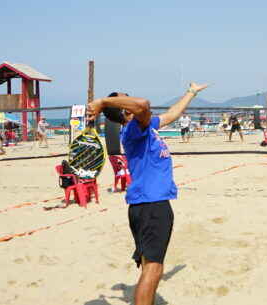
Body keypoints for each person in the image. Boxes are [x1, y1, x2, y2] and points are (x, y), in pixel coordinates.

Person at [87, 82, 208, 305]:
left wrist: (191, 92)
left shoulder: (145, 126)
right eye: (125, 99)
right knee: (153, 269)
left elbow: (171, 115)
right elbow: (142, 104)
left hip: (147, 205)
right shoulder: (134, 128)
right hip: (152, 206)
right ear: (125, 111)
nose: (130, 98)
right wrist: (103, 102)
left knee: (151, 268)